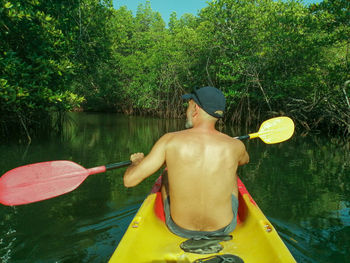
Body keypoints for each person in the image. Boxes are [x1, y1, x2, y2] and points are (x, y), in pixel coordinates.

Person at [123, 86, 249, 238]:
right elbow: (244, 160)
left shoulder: (169, 141)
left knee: (166, 175)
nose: (186, 111)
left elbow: (129, 181)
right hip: (224, 228)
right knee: (232, 172)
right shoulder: (235, 146)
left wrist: (136, 162)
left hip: (180, 229)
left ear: (195, 108)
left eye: (188, 104)